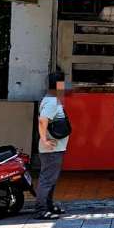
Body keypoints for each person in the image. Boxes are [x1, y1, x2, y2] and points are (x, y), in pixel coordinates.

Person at [35, 70, 68, 220]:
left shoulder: (52, 99)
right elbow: (43, 121)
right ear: (59, 85)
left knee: (51, 179)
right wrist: (45, 140)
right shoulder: (52, 101)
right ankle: (41, 209)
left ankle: (49, 205)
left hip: (55, 148)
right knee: (47, 179)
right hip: (51, 149)